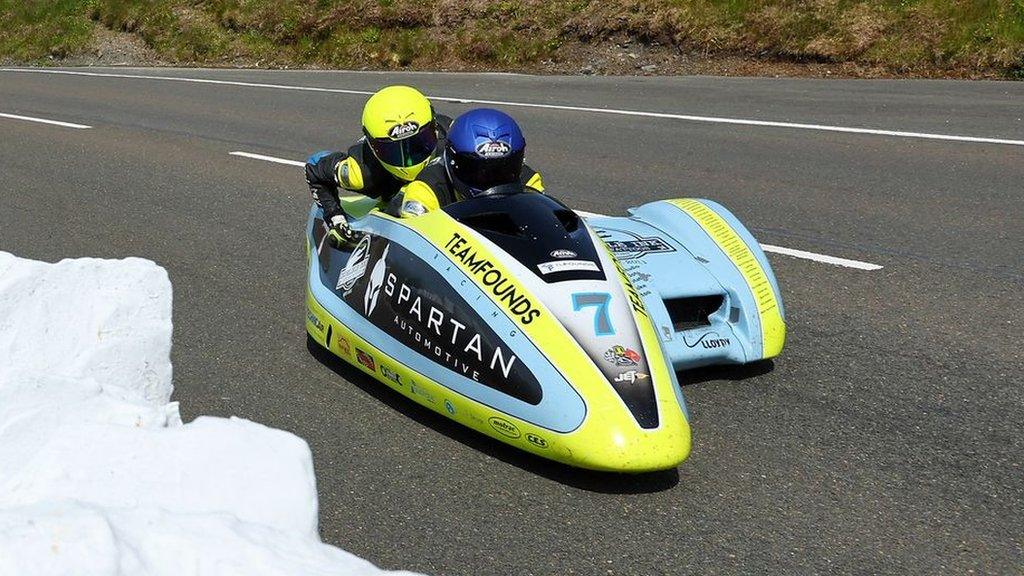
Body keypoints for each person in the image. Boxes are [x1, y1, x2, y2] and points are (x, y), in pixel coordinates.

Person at [305, 85, 448, 246]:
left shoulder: (453, 142)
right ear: (373, 147)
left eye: (420, 143)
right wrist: (335, 217)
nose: (408, 161)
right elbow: (315, 165)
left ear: (434, 128)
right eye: (392, 151)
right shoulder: (358, 171)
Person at [392, 108, 544, 217]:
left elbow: (545, 220)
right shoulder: (426, 189)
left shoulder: (529, 181)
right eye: (479, 171)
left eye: (504, 170)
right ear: (452, 161)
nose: (492, 182)